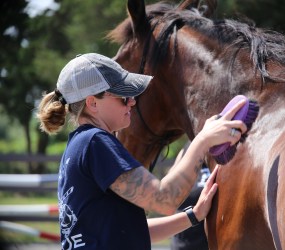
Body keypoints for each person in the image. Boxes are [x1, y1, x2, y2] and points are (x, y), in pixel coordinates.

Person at [36, 53, 247, 250]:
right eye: (122, 96)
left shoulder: (79, 146)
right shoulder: (96, 143)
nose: (132, 101)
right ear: (93, 103)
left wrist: (193, 216)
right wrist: (203, 139)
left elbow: (131, 231)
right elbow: (164, 199)